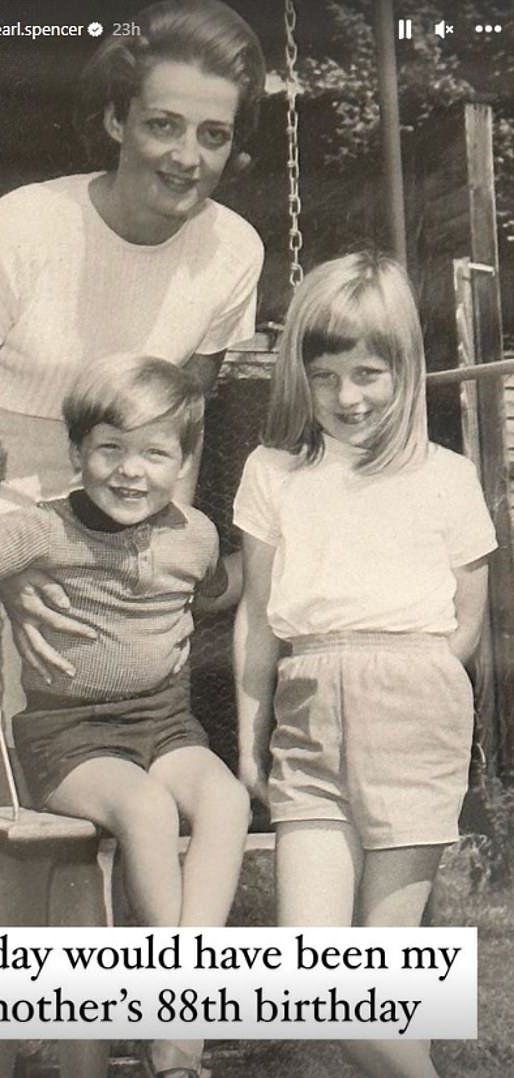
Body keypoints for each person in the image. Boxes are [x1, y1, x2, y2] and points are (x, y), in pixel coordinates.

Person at [0, 4, 264, 1075]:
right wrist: (5, 548)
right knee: (22, 827)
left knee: (142, 797)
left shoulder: (232, 251)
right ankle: (4, 1054)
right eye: (164, 125)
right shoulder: (17, 228)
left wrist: (153, 550)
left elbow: (187, 424)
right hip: (8, 519)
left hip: (130, 533)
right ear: (115, 118)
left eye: (211, 134)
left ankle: (132, 1034)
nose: (187, 156)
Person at [0, 355, 250, 1077]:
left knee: (226, 799)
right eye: (110, 448)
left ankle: (180, 1015)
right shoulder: (39, 530)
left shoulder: (192, 535)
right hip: (70, 736)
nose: (132, 472)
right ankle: (180, 1012)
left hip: (164, 723)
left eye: (156, 453)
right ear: (76, 453)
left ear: (184, 461)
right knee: (149, 811)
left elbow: (222, 587)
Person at [232, 252, 497, 1078]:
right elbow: (256, 619)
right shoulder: (273, 476)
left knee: (382, 983)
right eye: (325, 376)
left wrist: (404, 692)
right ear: (299, 379)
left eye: (370, 372)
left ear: (406, 369)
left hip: (413, 713)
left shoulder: (448, 479)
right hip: (307, 717)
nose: (349, 397)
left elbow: (467, 623)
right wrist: (250, 739)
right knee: (315, 978)